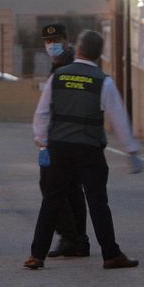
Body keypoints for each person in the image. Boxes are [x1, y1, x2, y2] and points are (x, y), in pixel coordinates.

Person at [26, 30, 143, 270]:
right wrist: (131, 151)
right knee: (97, 201)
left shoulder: (57, 76)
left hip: (59, 147)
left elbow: (42, 113)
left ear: (77, 49)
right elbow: (118, 118)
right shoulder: (103, 81)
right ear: (100, 54)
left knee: (51, 200)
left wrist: (42, 141)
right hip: (89, 149)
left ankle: (37, 255)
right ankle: (111, 255)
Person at [40, 24, 90, 258]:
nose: (52, 45)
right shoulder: (59, 65)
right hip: (68, 137)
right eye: (48, 42)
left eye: (56, 40)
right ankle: (78, 240)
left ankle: (70, 237)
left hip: (64, 137)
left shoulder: (68, 66)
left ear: (66, 40)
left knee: (51, 187)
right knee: (71, 190)